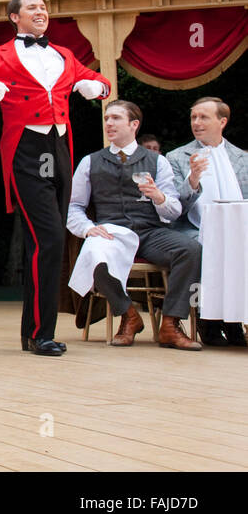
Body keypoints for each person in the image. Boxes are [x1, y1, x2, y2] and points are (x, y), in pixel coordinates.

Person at [0, 0, 111, 356]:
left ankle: (33, 332)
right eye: (32, 7)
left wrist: (98, 86)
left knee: (46, 241)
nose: (41, 11)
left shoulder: (63, 54)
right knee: (47, 237)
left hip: (60, 148)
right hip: (26, 150)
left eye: (44, 7)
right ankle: (40, 332)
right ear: (14, 17)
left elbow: (96, 80)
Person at [66, 100, 201, 349]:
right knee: (95, 254)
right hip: (113, 232)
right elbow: (73, 206)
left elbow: (173, 210)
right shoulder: (90, 162)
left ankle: (170, 324)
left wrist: (158, 196)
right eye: (107, 118)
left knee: (190, 249)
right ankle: (128, 315)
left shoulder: (157, 162)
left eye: (116, 118)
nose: (109, 123)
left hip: (150, 231)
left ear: (134, 124)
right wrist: (87, 228)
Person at [166, 96, 248, 346]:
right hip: (193, 227)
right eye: (193, 117)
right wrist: (192, 180)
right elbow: (175, 207)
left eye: (203, 117)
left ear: (222, 121)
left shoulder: (242, 157)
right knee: (207, 249)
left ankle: (235, 321)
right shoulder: (177, 157)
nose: (197, 122)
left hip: (237, 230)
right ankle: (208, 322)